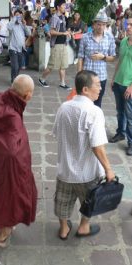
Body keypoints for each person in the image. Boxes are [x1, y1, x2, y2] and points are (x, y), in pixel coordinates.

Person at [52, 70, 115, 240]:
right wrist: (108, 169)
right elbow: (97, 146)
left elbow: (57, 133)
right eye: (97, 85)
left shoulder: (63, 107)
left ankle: (64, 229)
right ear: (85, 89)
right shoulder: (94, 112)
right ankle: (83, 227)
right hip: (87, 173)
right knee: (89, 202)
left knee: (62, 202)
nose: (100, 88)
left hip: (65, 169)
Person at [0, 74, 37, 247]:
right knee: (12, 197)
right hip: (9, 166)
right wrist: (23, 164)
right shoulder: (13, 118)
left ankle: (1, 229)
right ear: (27, 95)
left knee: (3, 197)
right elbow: (13, 151)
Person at [78, 11, 116, 107]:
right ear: (94, 24)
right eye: (99, 24)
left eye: (104, 25)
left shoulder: (110, 38)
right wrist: (79, 75)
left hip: (101, 77)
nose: (101, 27)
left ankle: (95, 121)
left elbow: (113, 58)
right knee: (84, 103)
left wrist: (103, 57)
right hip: (86, 77)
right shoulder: (85, 37)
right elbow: (80, 57)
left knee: (97, 103)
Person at [109, 18, 132, 156]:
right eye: (127, 24)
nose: (128, 27)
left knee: (130, 116)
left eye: (131, 25)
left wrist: (131, 86)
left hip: (129, 85)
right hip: (118, 82)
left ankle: (131, 142)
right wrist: (113, 78)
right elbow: (119, 61)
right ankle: (120, 133)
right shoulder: (123, 41)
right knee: (120, 111)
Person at [39, 0, 72, 90]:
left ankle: (62, 83)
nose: (65, 7)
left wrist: (68, 32)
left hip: (64, 44)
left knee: (63, 65)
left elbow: (64, 29)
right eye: (63, 5)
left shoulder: (63, 17)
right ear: (58, 7)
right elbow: (51, 31)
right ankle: (42, 79)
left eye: (65, 5)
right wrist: (63, 33)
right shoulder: (54, 17)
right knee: (51, 65)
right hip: (56, 45)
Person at [7, 9, 31, 83]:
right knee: (15, 66)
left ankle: (14, 79)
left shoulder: (22, 24)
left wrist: (24, 24)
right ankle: (14, 81)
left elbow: (29, 33)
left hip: (21, 49)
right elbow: (9, 27)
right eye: (16, 15)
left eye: (19, 15)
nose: (18, 17)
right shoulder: (12, 24)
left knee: (19, 66)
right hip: (12, 48)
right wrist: (14, 19)